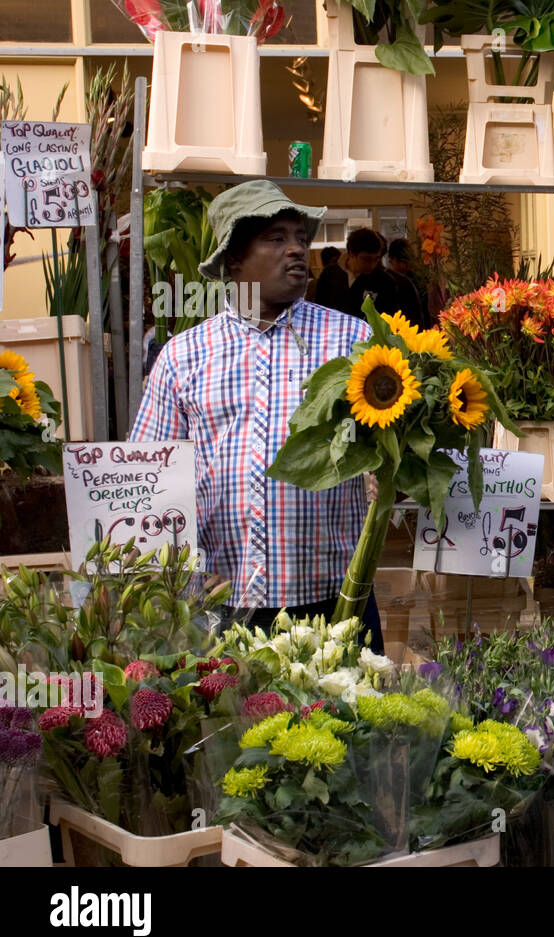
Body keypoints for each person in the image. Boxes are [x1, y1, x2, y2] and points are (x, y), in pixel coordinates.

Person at [129, 181, 383, 650]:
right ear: (233, 261)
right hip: (224, 607)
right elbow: (152, 483)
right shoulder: (184, 356)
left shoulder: (353, 342)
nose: (296, 252)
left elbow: (393, 453)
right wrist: (179, 579)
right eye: (275, 239)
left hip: (337, 602)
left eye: (301, 240)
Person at [309, 227, 398, 320]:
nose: (372, 265)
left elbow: (388, 318)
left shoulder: (384, 281)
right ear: (351, 253)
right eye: (366, 259)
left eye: (376, 259)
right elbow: (319, 309)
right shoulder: (330, 274)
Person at [384, 237, 431, 329]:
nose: (404, 266)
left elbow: (424, 308)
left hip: (413, 326)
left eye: (406, 262)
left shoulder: (416, 279)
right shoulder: (389, 280)